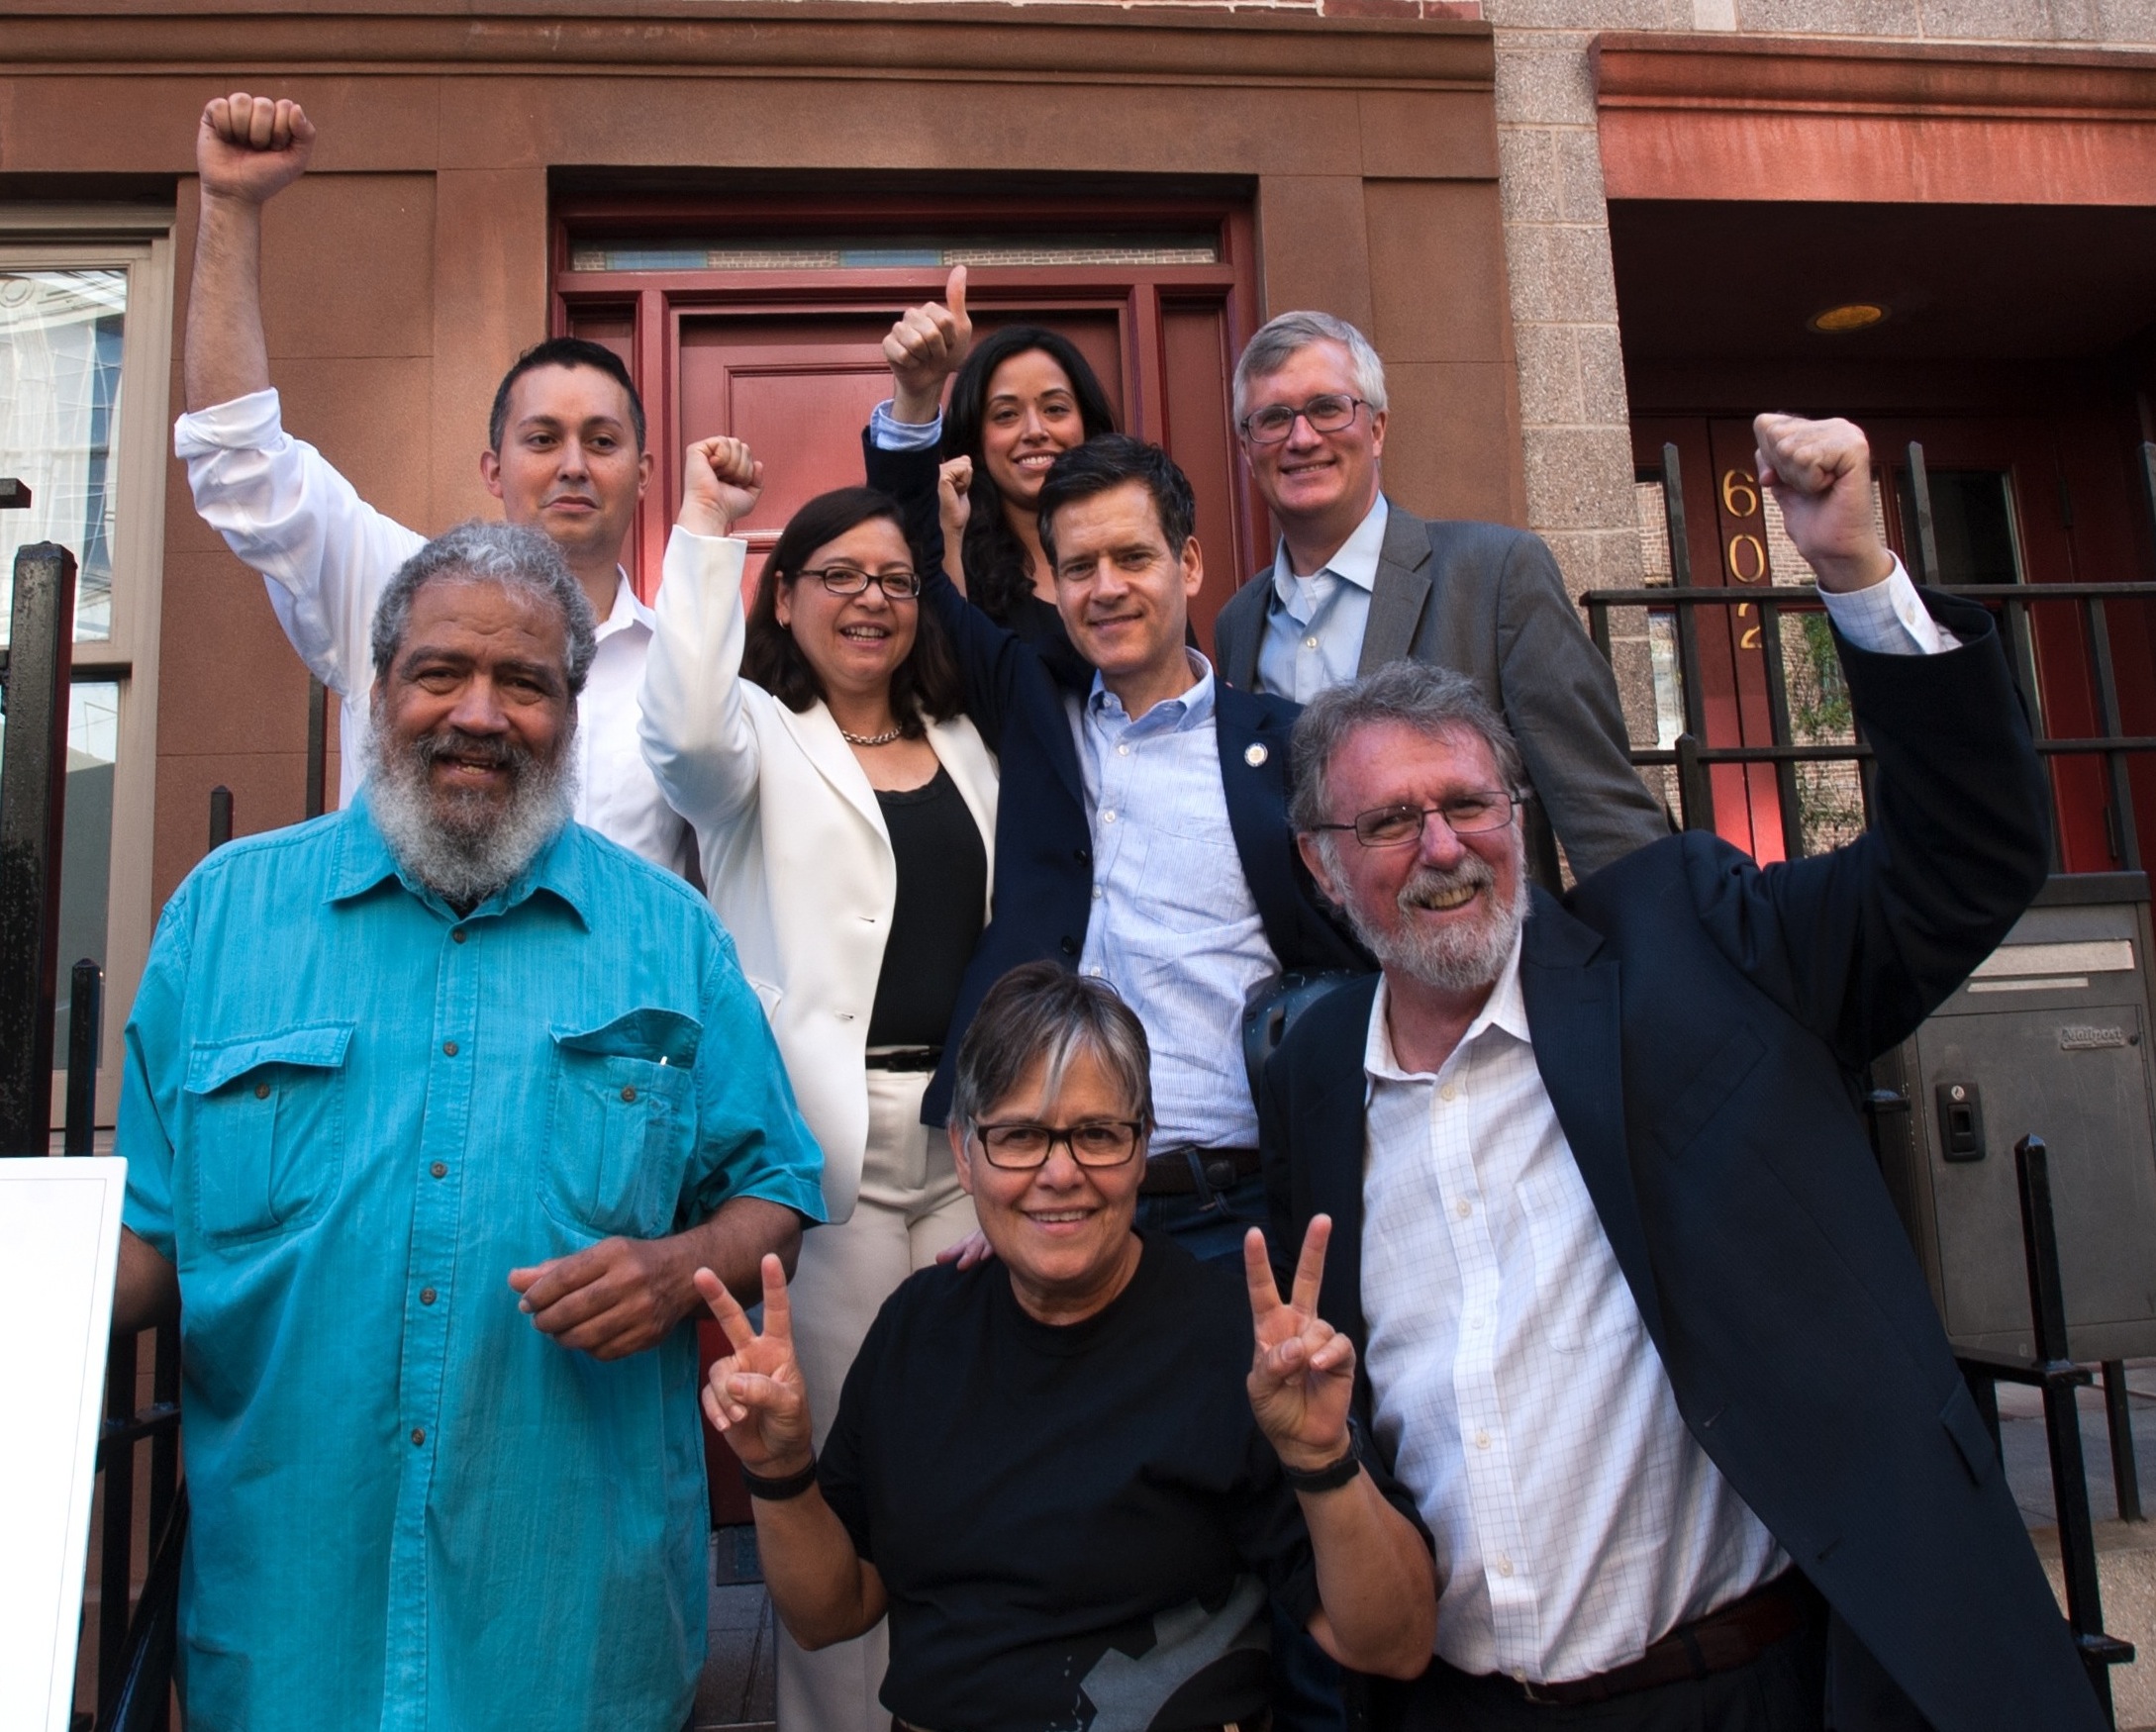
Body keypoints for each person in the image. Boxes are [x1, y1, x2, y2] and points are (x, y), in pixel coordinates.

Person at [1260, 413, 2103, 1729]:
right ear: (1320, 866)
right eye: (1386, 821)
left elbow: (1963, 865)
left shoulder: (1693, 942)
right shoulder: (1312, 1067)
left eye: (1469, 803)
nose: (1442, 847)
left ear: (1520, 818)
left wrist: (1855, 572)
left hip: (1749, 1685)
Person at [110, 521, 827, 1732]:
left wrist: (675, 1269)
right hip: (289, 1637)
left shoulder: (669, 936)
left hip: (567, 1641)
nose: (481, 714)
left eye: (527, 685)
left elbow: (776, 1195)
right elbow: (140, 1248)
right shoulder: (220, 924)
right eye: (442, 672)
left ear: (571, 713)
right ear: (380, 687)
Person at [697, 963, 1437, 1732]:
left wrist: (1324, 1461)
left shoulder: (1241, 1350)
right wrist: (778, 1471)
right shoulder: (916, 1333)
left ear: (1143, 1144)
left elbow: (1395, 1642)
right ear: (963, 1149)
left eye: (1097, 1134)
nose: (1061, 1173)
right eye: (1019, 1136)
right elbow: (832, 1612)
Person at [638, 438, 998, 1732]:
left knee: (967, 1457)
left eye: (894, 578)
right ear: (782, 596)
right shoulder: (750, 747)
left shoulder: (968, 742)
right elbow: (674, 725)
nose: (869, 598)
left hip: (971, 1156)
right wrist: (702, 524)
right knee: (834, 1471)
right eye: (835, 573)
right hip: (824, 1164)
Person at [174, 92, 691, 869]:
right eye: (543, 439)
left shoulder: (685, 665)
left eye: (603, 440)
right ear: (495, 468)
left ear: (644, 473)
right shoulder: (391, 589)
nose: (574, 464)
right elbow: (238, 459)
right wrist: (229, 205)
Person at [912, 433, 1367, 1261]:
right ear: (1051, 582)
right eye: (1080, 567)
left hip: (1231, 1213)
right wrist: (912, 412)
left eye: (1133, 557)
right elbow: (918, 573)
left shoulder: (1290, 750)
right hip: (1055, 1206)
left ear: (1187, 564)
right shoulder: (1036, 713)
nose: (1107, 588)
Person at [1214, 310, 1667, 883]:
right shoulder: (1239, 623)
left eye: (1328, 408)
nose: (1301, 438)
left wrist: (1662, 950)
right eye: (1273, 418)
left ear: (1376, 428)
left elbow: (1599, 809)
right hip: (1311, 970)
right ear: (1247, 448)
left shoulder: (1497, 576)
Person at [864, 264, 1118, 648]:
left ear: (1087, 423)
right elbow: (898, 525)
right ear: (975, 439)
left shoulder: (1135, 556)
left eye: (1055, 408)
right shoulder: (950, 558)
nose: (1035, 431)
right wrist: (918, 394)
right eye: (1006, 415)